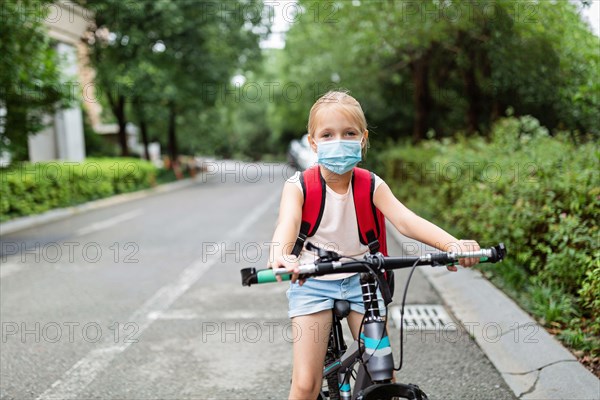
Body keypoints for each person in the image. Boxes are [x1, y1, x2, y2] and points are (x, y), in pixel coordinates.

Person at [268, 90, 480, 400]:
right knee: (305, 385)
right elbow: (285, 227)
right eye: (327, 134)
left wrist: (452, 244)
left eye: (349, 133)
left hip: (363, 282)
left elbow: (406, 221)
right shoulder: (299, 186)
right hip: (312, 282)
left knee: (383, 375)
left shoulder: (371, 184)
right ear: (313, 142)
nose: (339, 140)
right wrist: (281, 256)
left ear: (363, 139)